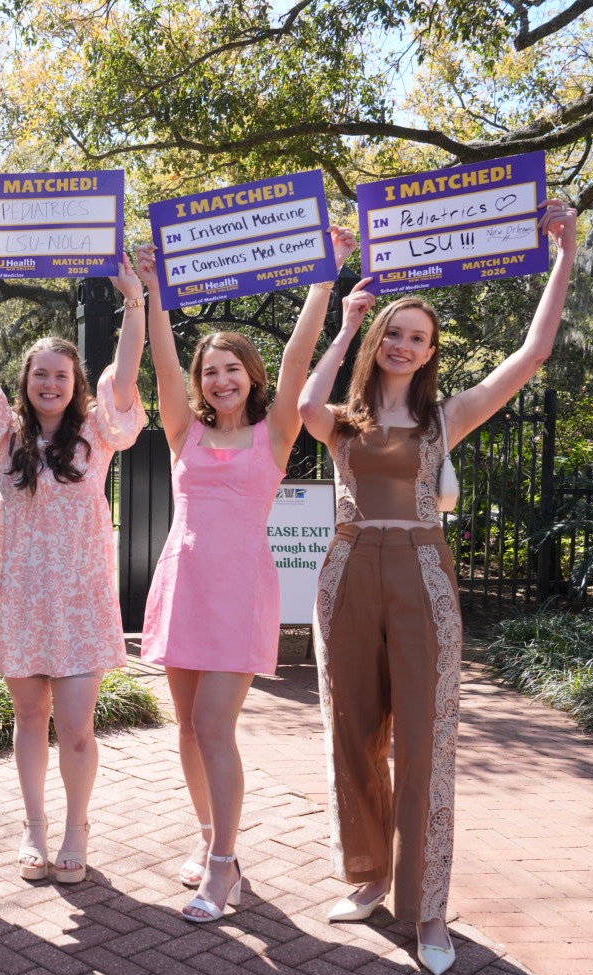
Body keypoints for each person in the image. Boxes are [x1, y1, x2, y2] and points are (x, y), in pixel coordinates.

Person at [299, 201, 578, 975]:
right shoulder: (343, 420)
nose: (404, 345)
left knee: (423, 744)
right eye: (395, 332)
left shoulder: (445, 420)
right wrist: (346, 319)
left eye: (417, 338)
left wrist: (565, 252)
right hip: (349, 571)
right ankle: (364, 877)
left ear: (429, 353)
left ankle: (425, 910)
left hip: (421, 574)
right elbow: (297, 403)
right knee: (350, 734)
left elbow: (530, 353)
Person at [135, 228, 357, 923]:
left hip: (238, 591)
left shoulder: (276, 433)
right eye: (210, 372)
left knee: (213, 725)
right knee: (185, 729)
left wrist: (324, 279)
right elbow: (163, 366)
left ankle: (225, 867)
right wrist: (152, 293)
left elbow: (298, 359)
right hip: (182, 583)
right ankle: (208, 842)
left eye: (231, 370)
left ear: (250, 378)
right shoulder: (183, 430)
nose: (219, 380)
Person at [0, 260, 145, 885]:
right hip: (21, 599)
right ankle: (33, 829)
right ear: (26, 382)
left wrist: (134, 303)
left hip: (80, 602)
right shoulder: (2, 435)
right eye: (40, 374)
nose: (50, 383)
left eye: (61, 375)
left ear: (75, 383)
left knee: (74, 729)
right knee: (30, 721)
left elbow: (124, 378)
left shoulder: (98, 431)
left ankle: (76, 828)